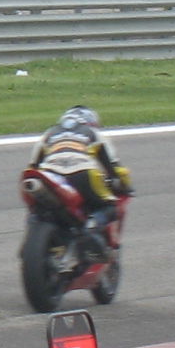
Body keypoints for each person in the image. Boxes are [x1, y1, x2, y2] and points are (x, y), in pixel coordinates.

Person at [28, 106, 133, 259]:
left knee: (38, 210)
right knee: (111, 207)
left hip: (50, 175)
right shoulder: (94, 134)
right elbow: (115, 169)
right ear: (91, 122)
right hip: (83, 173)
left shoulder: (49, 134)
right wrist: (125, 186)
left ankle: (32, 232)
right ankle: (92, 224)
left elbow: (33, 166)